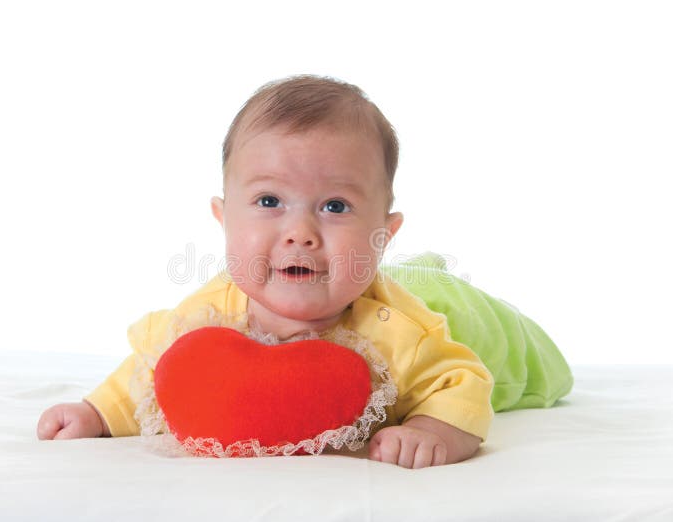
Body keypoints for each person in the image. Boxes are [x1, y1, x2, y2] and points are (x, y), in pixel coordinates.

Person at [37, 75, 496, 469]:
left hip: (455, 308)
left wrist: (432, 428)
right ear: (224, 219)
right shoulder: (207, 318)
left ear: (384, 233)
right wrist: (96, 413)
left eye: (335, 206)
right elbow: (149, 372)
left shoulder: (402, 332)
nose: (300, 232)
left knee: (507, 348)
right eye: (269, 201)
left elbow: (463, 383)